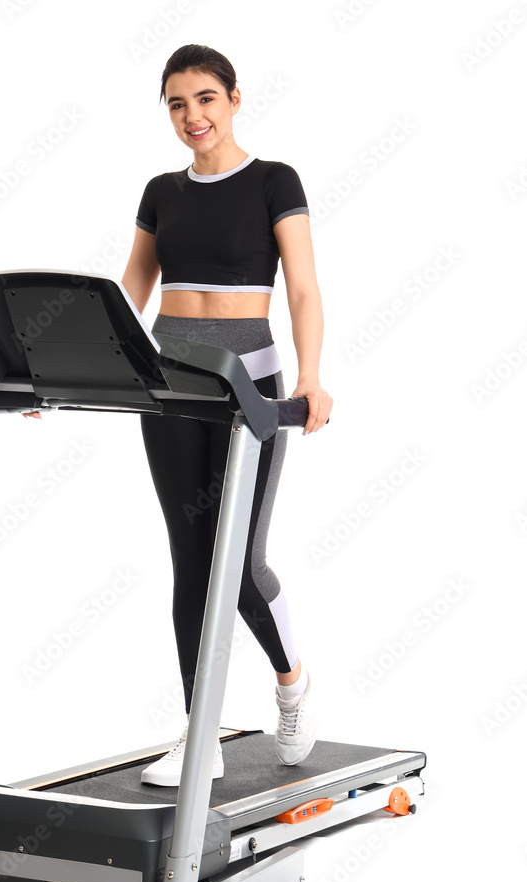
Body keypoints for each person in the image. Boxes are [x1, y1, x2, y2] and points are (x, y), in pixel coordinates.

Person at [117, 43, 333, 786]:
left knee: (236, 566)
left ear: (234, 99)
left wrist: (311, 379)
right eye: (177, 104)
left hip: (249, 389)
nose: (192, 116)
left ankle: (291, 681)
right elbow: (130, 296)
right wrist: (69, 368)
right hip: (172, 386)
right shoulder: (160, 192)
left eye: (205, 98)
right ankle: (199, 731)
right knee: (190, 558)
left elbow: (302, 289)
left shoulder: (274, 181)